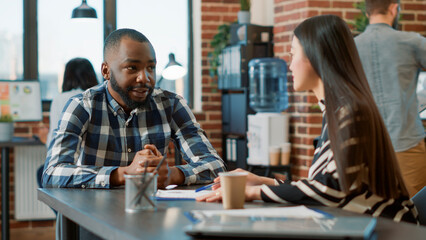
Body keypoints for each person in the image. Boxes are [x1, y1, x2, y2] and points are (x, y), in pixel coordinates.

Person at [197, 15, 419, 224]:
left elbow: (332, 189)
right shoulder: (338, 110)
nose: (290, 65)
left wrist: (254, 191)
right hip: (366, 224)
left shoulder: (350, 111)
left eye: (293, 54)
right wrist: (263, 181)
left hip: (389, 228)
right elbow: (322, 186)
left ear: (315, 55)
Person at [42, 28, 226, 189]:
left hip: (152, 215)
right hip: (94, 217)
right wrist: (123, 174)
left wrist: (172, 175)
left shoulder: (171, 104)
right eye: (132, 68)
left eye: (151, 68)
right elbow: (52, 172)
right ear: (106, 71)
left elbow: (215, 166)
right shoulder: (82, 105)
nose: (144, 78)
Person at [354, 0, 426, 198]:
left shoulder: (352, 47)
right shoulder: (412, 41)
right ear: (394, 9)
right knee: (416, 213)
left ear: (367, 12)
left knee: (377, 210)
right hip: (407, 143)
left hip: (366, 149)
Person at [36, 57, 99, 188]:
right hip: (100, 169)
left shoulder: (60, 100)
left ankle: (61, 209)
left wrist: (44, 138)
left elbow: (53, 146)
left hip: (74, 170)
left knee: (43, 173)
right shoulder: (99, 98)